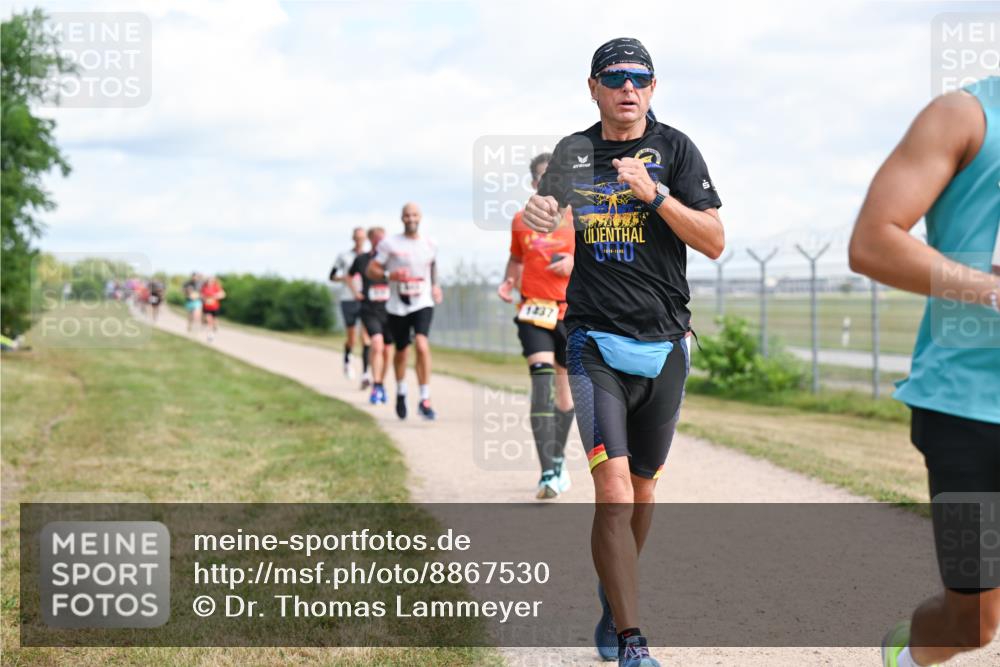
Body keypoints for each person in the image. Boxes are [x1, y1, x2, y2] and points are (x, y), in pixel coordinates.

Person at [523, 37, 724, 667]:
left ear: (653, 88)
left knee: (641, 494)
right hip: (593, 340)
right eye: (614, 78)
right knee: (611, 493)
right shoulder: (573, 151)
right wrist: (537, 210)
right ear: (594, 87)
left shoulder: (676, 149)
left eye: (640, 77)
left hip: (665, 344)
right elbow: (546, 209)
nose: (627, 87)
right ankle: (633, 639)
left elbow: (715, 241)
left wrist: (657, 197)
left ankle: (615, 599)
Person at [849, 77, 1000, 667]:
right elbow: (873, 242)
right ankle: (904, 656)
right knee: (973, 624)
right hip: (968, 406)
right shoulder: (963, 115)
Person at [498, 152, 576, 500]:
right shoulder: (520, 220)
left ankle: (558, 460)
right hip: (534, 310)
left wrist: (575, 261)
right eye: (543, 179)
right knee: (540, 380)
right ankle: (547, 470)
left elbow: (605, 262)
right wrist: (507, 281)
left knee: (564, 394)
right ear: (534, 184)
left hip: (572, 314)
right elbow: (516, 257)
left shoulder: (582, 220)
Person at [366, 202, 443, 420]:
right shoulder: (390, 244)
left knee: (421, 343)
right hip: (397, 306)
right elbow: (371, 270)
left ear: (420, 217)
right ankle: (401, 391)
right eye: (407, 215)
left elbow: (433, 265)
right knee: (401, 352)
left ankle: (425, 399)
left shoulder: (430, 243)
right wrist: (390, 276)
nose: (411, 218)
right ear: (402, 218)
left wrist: (436, 286)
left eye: (415, 215)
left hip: (422, 302)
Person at [349, 227, 395, 404]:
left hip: (390, 309)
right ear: (370, 240)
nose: (380, 242)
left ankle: (381, 383)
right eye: (376, 239)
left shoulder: (392, 260)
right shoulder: (362, 260)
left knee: (387, 349)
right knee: (376, 343)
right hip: (369, 309)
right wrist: (355, 292)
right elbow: (350, 276)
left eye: (382, 239)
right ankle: (376, 386)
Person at [330, 226, 371, 385]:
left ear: (365, 239)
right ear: (353, 238)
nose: (359, 240)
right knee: (352, 338)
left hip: (365, 299)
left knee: (366, 337)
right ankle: (347, 360)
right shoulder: (344, 256)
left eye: (362, 237)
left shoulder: (370, 257)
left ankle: (366, 373)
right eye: (357, 237)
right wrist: (345, 279)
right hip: (348, 298)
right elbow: (332, 276)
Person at [200, 276, 226, 342]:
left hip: (215, 307)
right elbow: (201, 295)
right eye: (209, 280)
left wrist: (215, 296)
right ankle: (210, 335)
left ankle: (214, 330)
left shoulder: (216, 287)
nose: (209, 282)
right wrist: (204, 298)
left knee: (215, 322)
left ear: (213, 281)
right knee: (209, 321)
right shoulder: (204, 287)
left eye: (211, 280)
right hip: (206, 307)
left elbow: (223, 294)